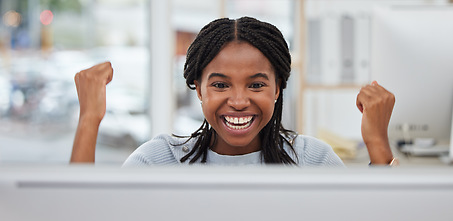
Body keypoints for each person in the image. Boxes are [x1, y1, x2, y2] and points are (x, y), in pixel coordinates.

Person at [70, 16, 396, 166]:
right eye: (220, 85)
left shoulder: (313, 160)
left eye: (256, 84)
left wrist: (378, 143)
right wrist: (88, 120)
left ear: (278, 89)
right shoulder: (158, 161)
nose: (238, 102)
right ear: (197, 89)